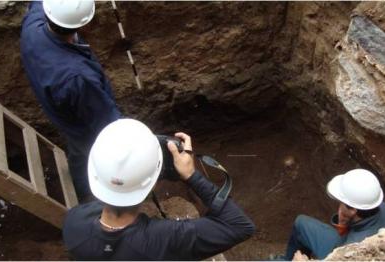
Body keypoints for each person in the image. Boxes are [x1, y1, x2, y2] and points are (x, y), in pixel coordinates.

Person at [62, 119, 255, 260]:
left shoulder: (74, 222)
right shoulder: (164, 239)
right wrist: (191, 175)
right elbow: (240, 226)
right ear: (153, 183)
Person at [20, 0, 121, 202]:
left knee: (77, 152)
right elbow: (107, 124)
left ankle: (82, 190)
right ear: (83, 24)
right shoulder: (78, 78)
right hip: (84, 127)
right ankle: (98, 200)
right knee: (96, 156)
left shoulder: (33, 24)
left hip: (62, 114)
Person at [285, 169, 385, 260]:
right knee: (301, 223)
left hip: (342, 251)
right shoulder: (379, 206)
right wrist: (344, 222)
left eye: (341, 202)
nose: (339, 205)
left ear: (353, 210)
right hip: (346, 239)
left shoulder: (353, 249)